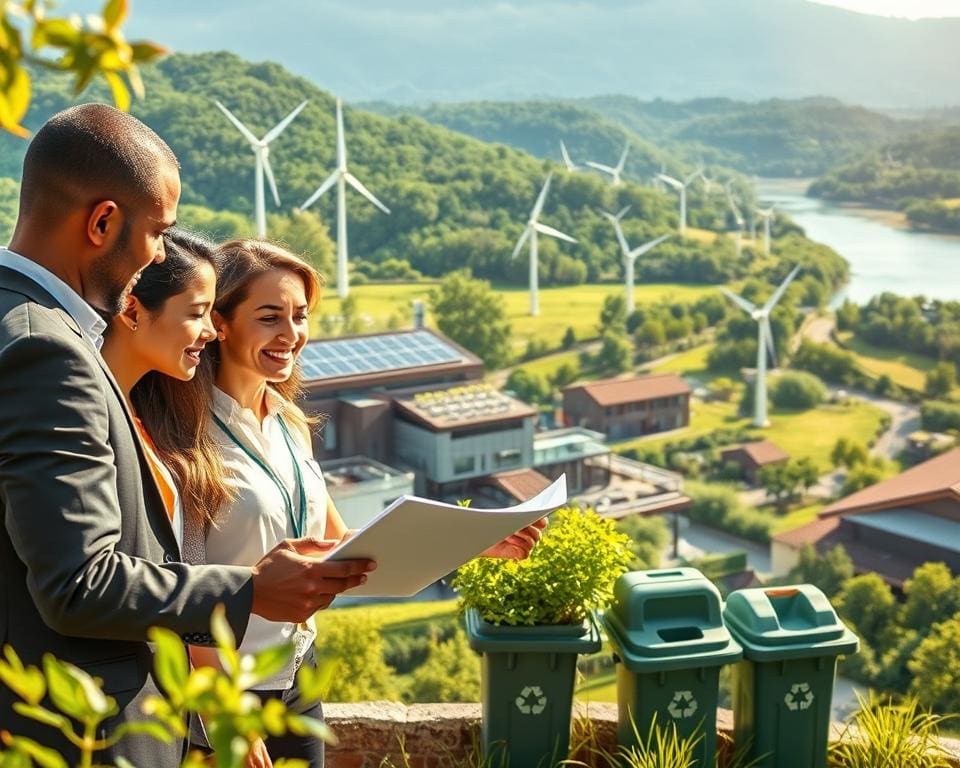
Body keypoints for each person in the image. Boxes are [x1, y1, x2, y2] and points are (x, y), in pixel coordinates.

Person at [0, 105, 374, 766]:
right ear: (103, 222)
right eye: (157, 233)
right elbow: (78, 583)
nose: (153, 257)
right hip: (86, 732)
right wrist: (248, 591)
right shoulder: (47, 351)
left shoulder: (18, 320)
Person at [156, 238, 545, 767]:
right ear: (219, 323)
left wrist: (472, 542)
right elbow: (180, 594)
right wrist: (228, 717)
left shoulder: (288, 420)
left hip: (297, 671)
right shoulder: (182, 438)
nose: (290, 335)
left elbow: (343, 547)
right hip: (225, 692)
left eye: (299, 315)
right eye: (269, 317)